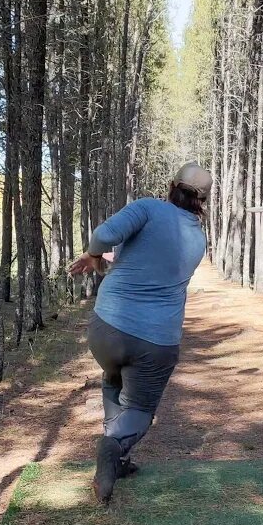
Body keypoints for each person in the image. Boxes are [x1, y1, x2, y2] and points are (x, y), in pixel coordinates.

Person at [68, 162, 212, 505]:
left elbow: (104, 236)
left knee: (113, 377)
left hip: (106, 328)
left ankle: (116, 461)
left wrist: (92, 256)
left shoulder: (147, 208)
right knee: (140, 409)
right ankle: (114, 445)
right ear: (203, 201)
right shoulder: (198, 237)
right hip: (155, 340)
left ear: (172, 185)